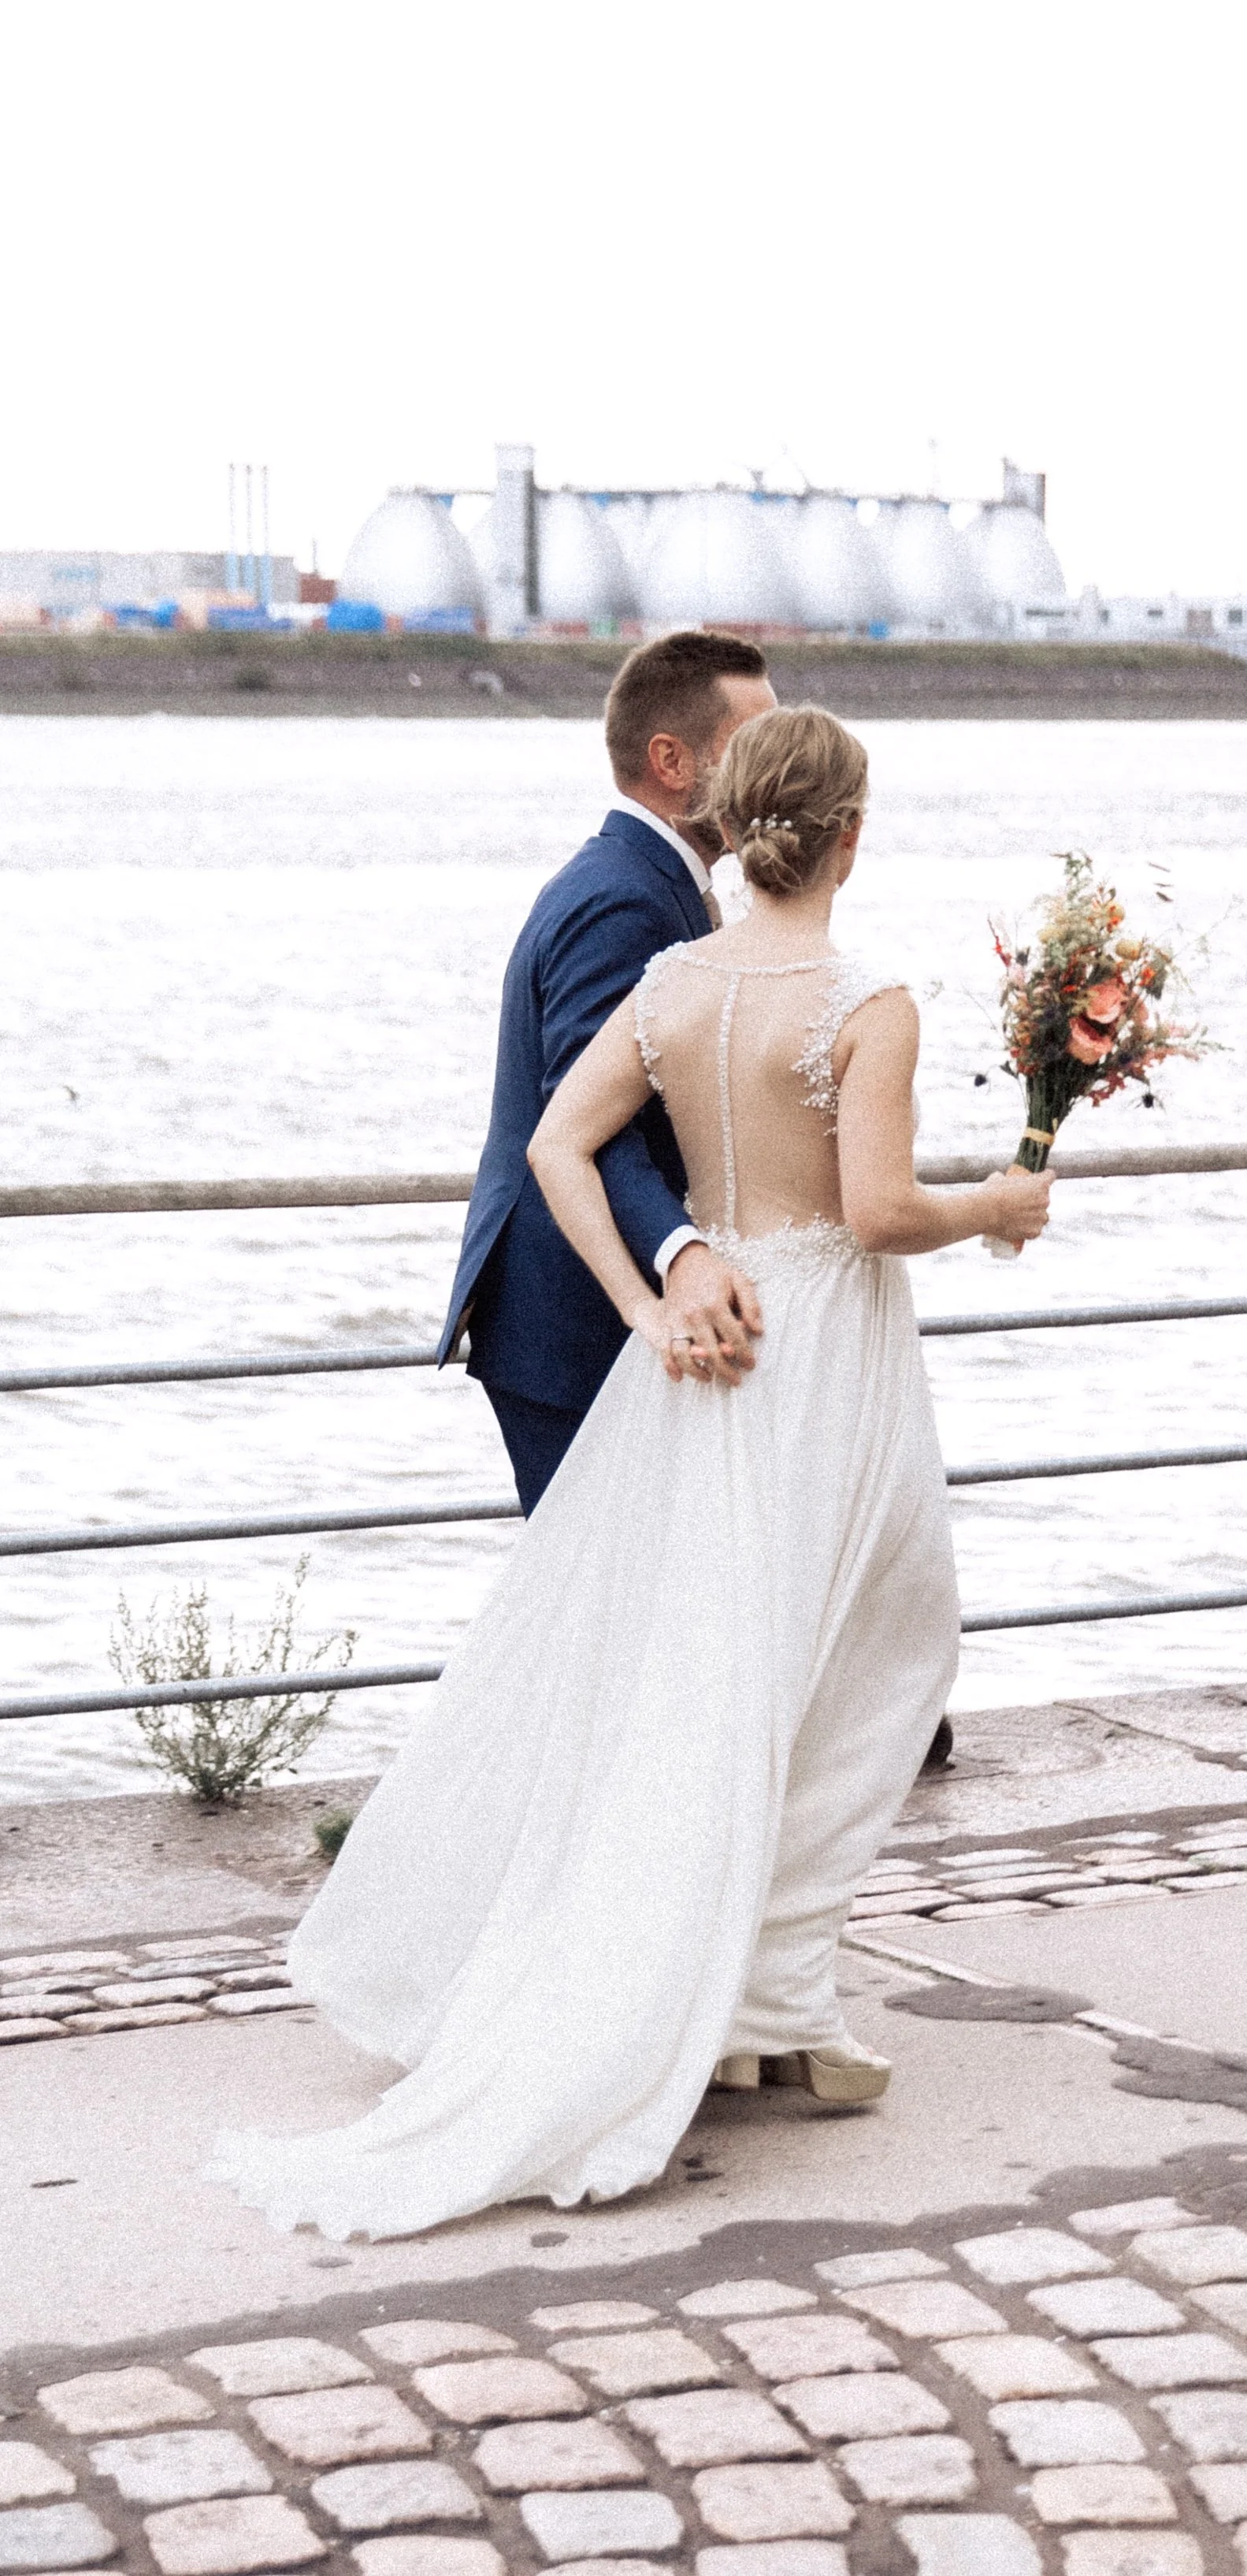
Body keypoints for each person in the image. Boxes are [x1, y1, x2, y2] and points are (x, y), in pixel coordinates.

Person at [207, 705, 1053, 2242]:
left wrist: (652, 1297)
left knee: (737, 1665)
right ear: (851, 833)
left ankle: (770, 1985)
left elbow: (555, 1145)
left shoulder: (677, 980)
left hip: (706, 1352)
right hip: (826, 1353)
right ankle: (764, 1984)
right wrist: (994, 1200)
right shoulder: (872, 1000)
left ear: (741, 822)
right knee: (881, 1642)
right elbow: (872, 1212)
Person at [440, 629, 778, 1511]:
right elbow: (592, 1123)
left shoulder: (651, 880)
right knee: (595, 1623)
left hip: (590, 1315)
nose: (774, 766)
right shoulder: (624, 898)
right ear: (672, 760)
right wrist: (683, 1254)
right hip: (571, 1320)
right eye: (754, 744)